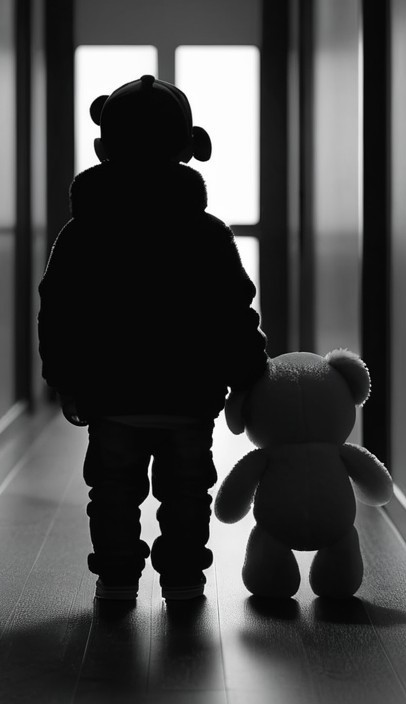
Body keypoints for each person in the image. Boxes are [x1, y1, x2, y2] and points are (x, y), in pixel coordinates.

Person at [38, 74, 268, 602]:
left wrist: (65, 380)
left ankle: (116, 578)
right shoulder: (208, 233)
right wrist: (249, 373)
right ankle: (184, 577)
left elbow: (59, 312)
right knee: (186, 492)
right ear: (190, 150)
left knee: (113, 491)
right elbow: (233, 311)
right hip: (189, 398)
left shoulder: (81, 234)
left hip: (110, 397)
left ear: (102, 149)